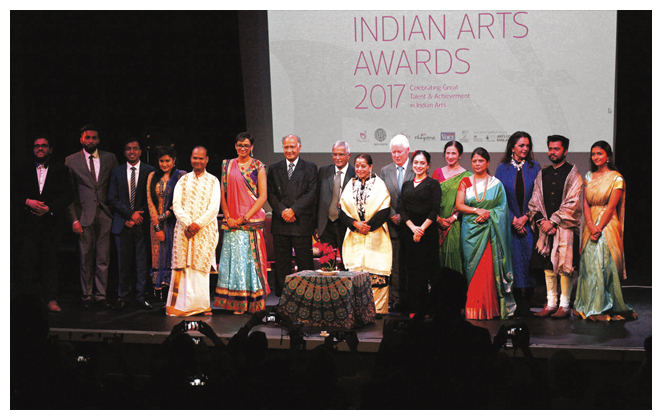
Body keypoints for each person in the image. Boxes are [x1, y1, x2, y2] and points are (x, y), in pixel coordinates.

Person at [573, 141, 636, 321]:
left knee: (602, 266)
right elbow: (586, 204)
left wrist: (598, 228)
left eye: (599, 153)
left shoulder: (616, 178)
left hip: (607, 225)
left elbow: (610, 207)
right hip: (590, 224)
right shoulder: (589, 176)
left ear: (607, 156)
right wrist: (590, 225)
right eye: (593, 154)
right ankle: (585, 305)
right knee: (589, 265)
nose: (596, 157)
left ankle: (602, 307)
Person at [13, 137, 73, 312]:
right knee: (27, 262)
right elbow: (12, 192)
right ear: (33, 149)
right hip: (28, 224)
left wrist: (49, 208)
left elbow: (68, 195)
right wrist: (28, 202)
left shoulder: (61, 170)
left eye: (44, 146)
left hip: (51, 224)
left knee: (50, 262)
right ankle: (26, 301)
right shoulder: (22, 169)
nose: (40, 149)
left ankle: (51, 299)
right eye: (37, 146)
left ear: (50, 149)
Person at [213, 132, 270, 314]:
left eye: (246, 145)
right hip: (231, 221)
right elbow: (223, 193)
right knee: (234, 261)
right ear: (235, 146)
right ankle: (237, 302)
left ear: (251, 147)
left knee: (250, 262)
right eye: (239, 145)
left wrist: (244, 218)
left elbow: (263, 196)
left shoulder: (258, 166)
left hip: (250, 221)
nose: (242, 148)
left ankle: (253, 302)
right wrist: (228, 217)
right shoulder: (227, 165)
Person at [456, 148, 515, 319]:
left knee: (488, 268)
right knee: (471, 268)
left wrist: (488, 214)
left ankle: (489, 308)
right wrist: (477, 211)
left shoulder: (496, 184)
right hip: (470, 230)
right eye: (474, 161)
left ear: (487, 162)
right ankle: (472, 308)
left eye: (481, 161)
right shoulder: (465, 182)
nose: (477, 164)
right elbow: (459, 205)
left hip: (490, 231)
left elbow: (502, 209)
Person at [528, 135, 583, 318]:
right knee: (548, 267)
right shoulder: (543, 174)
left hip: (565, 229)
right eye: (550, 148)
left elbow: (573, 203)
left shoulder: (573, 174)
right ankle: (551, 303)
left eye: (556, 149)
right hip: (546, 231)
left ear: (565, 151)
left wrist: (553, 221)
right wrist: (542, 222)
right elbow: (534, 202)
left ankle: (565, 305)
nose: (552, 152)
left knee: (565, 267)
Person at [65, 124, 119, 309]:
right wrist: (74, 219)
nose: (91, 141)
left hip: (105, 214)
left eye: (94, 137)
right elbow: (69, 193)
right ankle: (87, 296)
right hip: (83, 215)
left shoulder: (109, 158)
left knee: (103, 258)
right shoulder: (71, 160)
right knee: (85, 258)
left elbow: (115, 186)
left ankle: (101, 295)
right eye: (87, 137)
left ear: (99, 140)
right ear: (81, 139)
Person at [165, 146, 220, 317]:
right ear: (191, 158)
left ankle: (202, 306)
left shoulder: (213, 181)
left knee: (199, 269)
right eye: (195, 158)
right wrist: (188, 224)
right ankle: (179, 307)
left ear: (207, 160)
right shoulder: (183, 180)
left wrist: (197, 225)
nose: (198, 161)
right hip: (184, 231)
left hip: (204, 232)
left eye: (201, 158)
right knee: (183, 268)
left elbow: (214, 208)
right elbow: (176, 205)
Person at [339, 154, 392, 316]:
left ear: (370, 167)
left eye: (363, 166)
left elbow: (385, 208)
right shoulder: (350, 184)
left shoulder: (379, 184)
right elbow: (342, 210)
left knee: (377, 274)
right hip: (355, 235)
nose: (360, 169)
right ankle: (357, 310)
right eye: (357, 166)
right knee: (355, 273)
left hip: (375, 235)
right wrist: (355, 224)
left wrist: (368, 226)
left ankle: (377, 310)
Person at [495, 131, 541, 316]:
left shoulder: (534, 167)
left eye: (528, 145)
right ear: (512, 147)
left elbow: (538, 196)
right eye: (521, 145)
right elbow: (499, 198)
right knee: (512, 263)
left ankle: (527, 304)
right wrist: (513, 218)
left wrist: (526, 217)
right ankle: (514, 303)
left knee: (529, 263)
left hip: (529, 224)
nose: (525, 149)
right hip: (510, 225)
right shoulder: (502, 168)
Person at [267, 134, 318, 297]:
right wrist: (283, 211)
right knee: (282, 264)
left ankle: (307, 297)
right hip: (281, 222)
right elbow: (270, 193)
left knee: (305, 263)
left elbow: (311, 193)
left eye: (292, 147)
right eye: (286, 147)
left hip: (301, 222)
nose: (289, 150)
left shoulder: (310, 167)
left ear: (299, 147)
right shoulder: (274, 168)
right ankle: (284, 298)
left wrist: (293, 210)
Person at [108, 139, 155, 310]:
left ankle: (141, 296)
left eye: (135, 148)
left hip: (141, 223)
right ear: (124, 152)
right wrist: (129, 215)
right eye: (128, 149)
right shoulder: (117, 172)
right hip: (122, 224)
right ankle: (123, 296)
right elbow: (112, 198)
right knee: (123, 264)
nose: (132, 152)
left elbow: (151, 198)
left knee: (142, 263)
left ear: (141, 151)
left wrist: (136, 215)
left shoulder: (150, 171)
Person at [399, 150, 441, 318]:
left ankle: (429, 310)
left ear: (428, 165)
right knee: (412, 271)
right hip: (409, 232)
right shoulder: (406, 185)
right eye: (416, 162)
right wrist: (413, 228)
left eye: (422, 163)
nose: (418, 166)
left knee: (428, 271)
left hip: (428, 232)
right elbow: (402, 210)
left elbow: (435, 210)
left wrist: (421, 229)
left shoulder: (433, 184)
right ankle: (414, 308)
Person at [379, 134, 414, 313]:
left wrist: (405, 216)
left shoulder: (416, 167)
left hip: (412, 225)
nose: (397, 155)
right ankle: (397, 299)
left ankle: (411, 299)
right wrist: (393, 214)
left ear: (407, 151)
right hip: (392, 224)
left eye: (400, 151)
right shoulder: (385, 171)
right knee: (395, 265)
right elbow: (382, 195)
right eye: (393, 152)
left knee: (411, 264)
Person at [147, 146, 186, 301]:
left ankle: (175, 295)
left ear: (174, 160)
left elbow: (182, 201)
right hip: (156, 225)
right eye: (161, 161)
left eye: (167, 161)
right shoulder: (152, 176)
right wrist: (157, 227)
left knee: (175, 255)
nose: (164, 164)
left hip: (176, 223)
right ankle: (160, 294)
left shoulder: (181, 176)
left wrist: (163, 216)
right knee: (157, 255)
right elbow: (150, 201)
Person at [432, 140, 471, 275]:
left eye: (453, 153)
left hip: (455, 225)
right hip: (436, 224)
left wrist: (453, 217)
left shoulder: (467, 176)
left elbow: (468, 202)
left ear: (460, 155)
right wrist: (438, 219)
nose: (450, 156)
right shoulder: (437, 173)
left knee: (455, 258)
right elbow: (432, 199)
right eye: (447, 153)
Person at [316, 141, 356, 269]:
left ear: (348, 155)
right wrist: (316, 226)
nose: (337, 158)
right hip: (326, 225)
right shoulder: (323, 171)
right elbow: (317, 198)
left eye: (341, 154)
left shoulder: (355, 173)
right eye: (334, 154)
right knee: (327, 266)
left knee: (347, 264)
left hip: (346, 226)